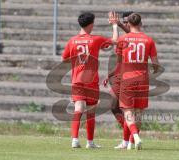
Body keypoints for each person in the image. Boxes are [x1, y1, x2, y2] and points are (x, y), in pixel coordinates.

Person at [62, 12, 118, 149]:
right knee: (91, 111)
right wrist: (115, 25)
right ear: (91, 24)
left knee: (78, 108)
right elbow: (115, 41)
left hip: (77, 80)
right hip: (91, 81)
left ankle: (74, 140)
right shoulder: (95, 39)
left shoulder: (72, 41)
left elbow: (65, 59)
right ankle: (90, 142)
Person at [116, 13, 159, 150]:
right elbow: (155, 64)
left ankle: (135, 136)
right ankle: (132, 143)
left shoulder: (123, 39)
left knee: (128, 112)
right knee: (138, 112)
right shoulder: (148, 40)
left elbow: (118, 62)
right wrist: (155, 71)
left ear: (128, 24)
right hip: (142, 79)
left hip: (127, 79)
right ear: (141, 23)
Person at [104, 11, 135, 149]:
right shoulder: (124, 39)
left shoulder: (137, 36)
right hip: (119, 75)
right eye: (125, 21)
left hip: (131, 76)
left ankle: (129, 138)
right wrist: (110, 74)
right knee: (112, 104)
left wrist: (118, 25)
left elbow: (131, 31)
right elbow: (119, 62)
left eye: (128, 22)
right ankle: (131, 133)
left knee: (128, 109)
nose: (126, 24)